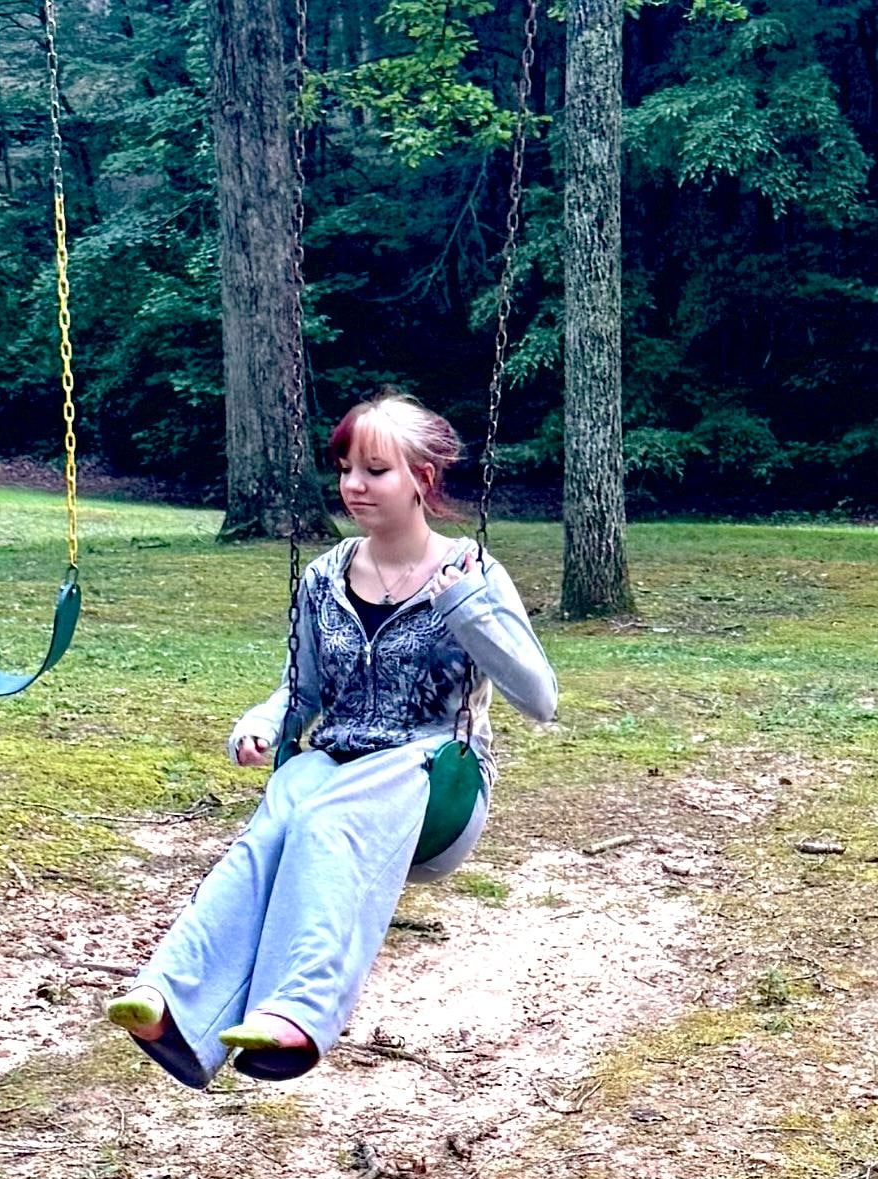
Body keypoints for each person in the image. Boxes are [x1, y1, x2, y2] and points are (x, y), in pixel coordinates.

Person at [106, 392, 558, 1086]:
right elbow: (302, 693)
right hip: (336, 761)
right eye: (346, 467)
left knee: (321, 814)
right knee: (283, 811)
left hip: (431, 773)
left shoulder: (473, 574)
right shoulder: (324, 576)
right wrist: (262, 722)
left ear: (422, 479)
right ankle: (175, 1002)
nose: (353, 485)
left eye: (374, 470)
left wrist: (465, 608)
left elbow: (541, 698)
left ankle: (301, 1012)